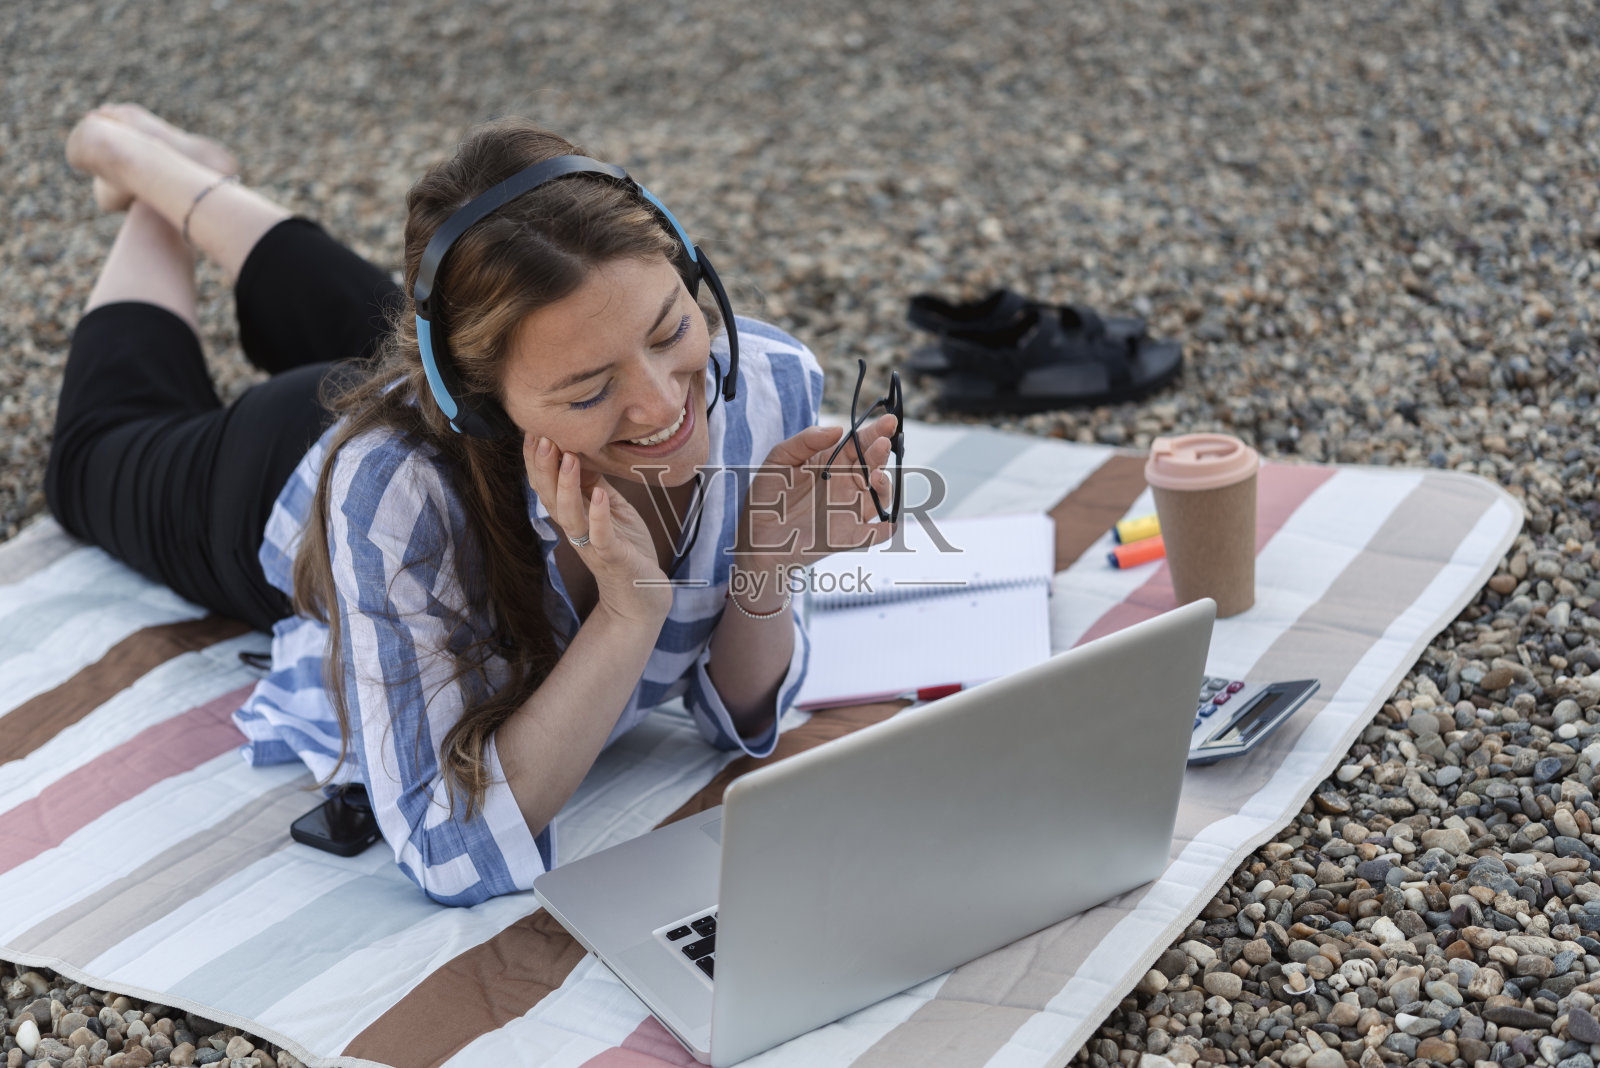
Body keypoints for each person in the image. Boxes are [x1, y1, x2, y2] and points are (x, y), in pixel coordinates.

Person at [50, 105, 899, 906]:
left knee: (388, 307)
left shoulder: (762, 383)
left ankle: (177, 170)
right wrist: (625, 617)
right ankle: (144, 181)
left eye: (671, 328)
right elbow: (443, 844)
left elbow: (734, 720)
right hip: (276, 473)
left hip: (467, 371)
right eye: (592, 388)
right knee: (93, 453)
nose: (662, 407)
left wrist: (765, 564)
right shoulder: (397, 498)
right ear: (481, 405)